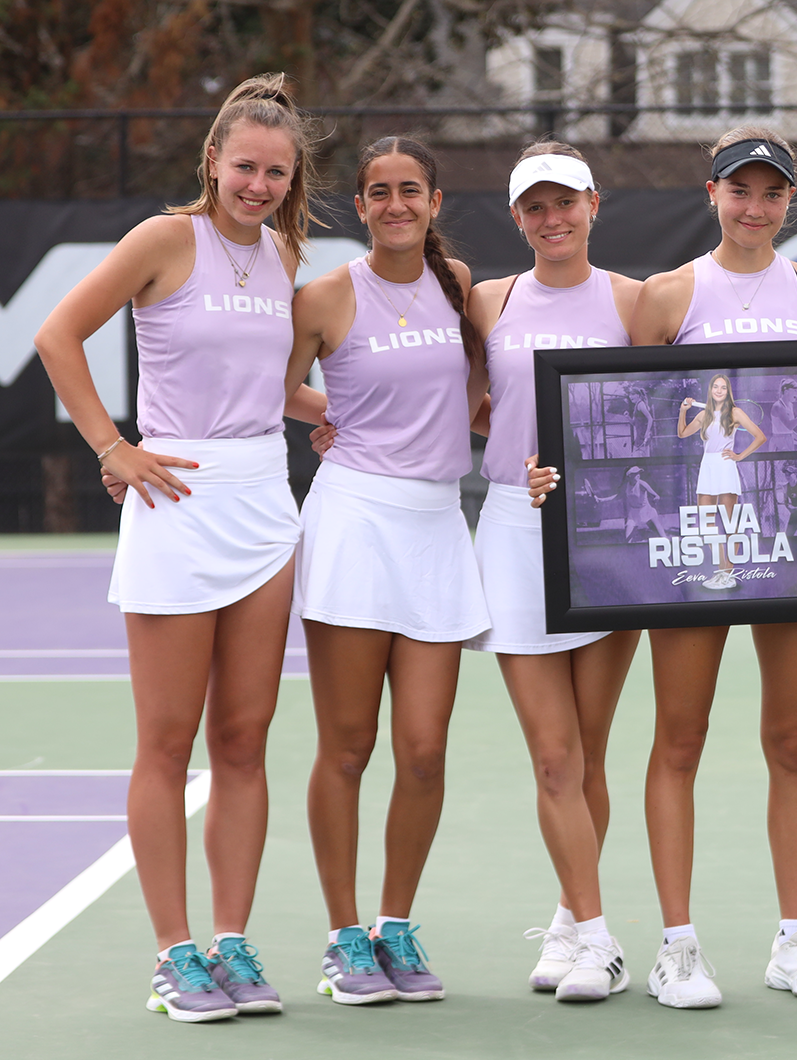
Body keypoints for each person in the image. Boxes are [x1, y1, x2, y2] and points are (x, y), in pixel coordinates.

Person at [535, 127, 797, 1009]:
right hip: (695, 553)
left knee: (791, 742)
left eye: (772, 193)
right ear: (711, 192)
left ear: (789, 201)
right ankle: (678, 947)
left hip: (792, 552)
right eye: (740, 190)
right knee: (680, 741)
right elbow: (632, 415)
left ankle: (795, 941)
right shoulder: (667, 297)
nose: (755, 207)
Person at [35, 72, 325, 1023]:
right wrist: (114, 448)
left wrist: (334, 415)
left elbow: (274, 385)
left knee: (244, 743)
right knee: (167, 744)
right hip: (174, 496)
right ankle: (174, 953)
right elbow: (56, 334)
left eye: (275, 173)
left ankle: (233, 944)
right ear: (213, 160)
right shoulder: (165, 239)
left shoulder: (287, 257)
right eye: (245, 166)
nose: (259, 185)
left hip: (262, 502)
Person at [283, 135, 490, 1007]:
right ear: (360, 206)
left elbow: (480, 396)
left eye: (411, 190)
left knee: (426, 750)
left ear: (435, 201)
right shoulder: (327, 294)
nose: (396, 203)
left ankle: (394, 924)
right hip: (354, 523)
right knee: (348, 745)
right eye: (379, 192)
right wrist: (331, 413)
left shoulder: (461, 287)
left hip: (438, 525)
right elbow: (273, 386)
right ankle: (343, 937)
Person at [464, 141, 643, 1002]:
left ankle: (573, 920)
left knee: (590, 752)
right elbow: (454, 402)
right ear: (517, 219)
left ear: (593, 206)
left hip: (610, 539)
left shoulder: (636, 302)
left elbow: (666, 415)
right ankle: (603, 938)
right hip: (511, 529)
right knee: (552, 756)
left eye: (565, 202)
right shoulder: (487, 301)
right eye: (535, 207)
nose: (552, 219)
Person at [677, 372, 767, 590]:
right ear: (710, 391)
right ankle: (721, 571)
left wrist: (738, 456)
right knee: (706, 524)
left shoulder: (735, 412)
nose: (719, 390)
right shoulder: (704, 415)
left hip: (725, 465)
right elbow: (681, 433)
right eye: (715, 387)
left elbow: (760, 436)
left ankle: (728, 573)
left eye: (723, 387)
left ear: (728, 391)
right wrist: (683, 411)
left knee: (730, 524)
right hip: (706, 465)